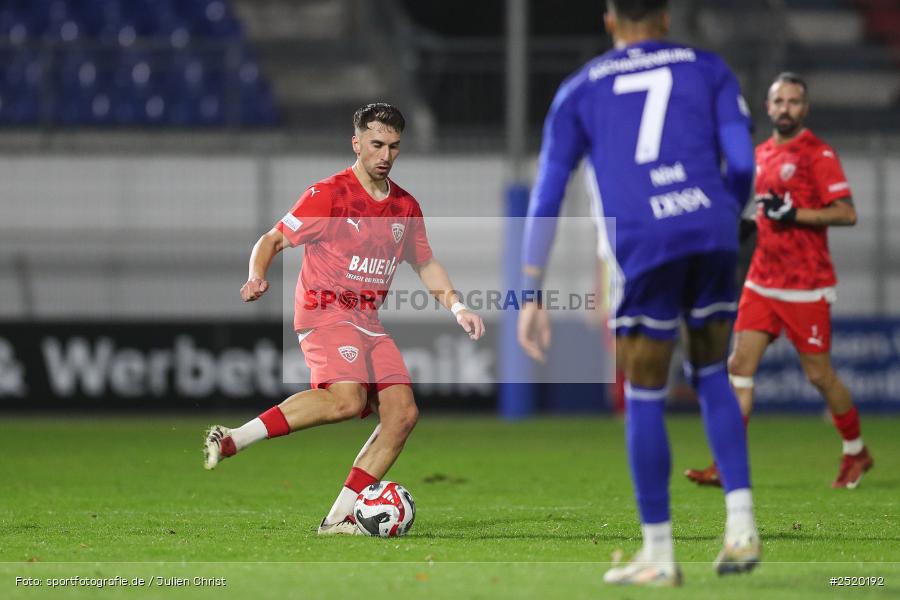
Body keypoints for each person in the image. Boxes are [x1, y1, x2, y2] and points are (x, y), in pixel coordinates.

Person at [518, 0, 759, 586]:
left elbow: (548, 191)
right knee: (711, 374)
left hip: (644, 241)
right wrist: (726, 211)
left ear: (609, 19)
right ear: (666, 17)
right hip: (710, 231)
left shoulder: (580, 89)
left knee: (645, 392)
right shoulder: (708, 68)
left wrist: (530, 286)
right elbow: (746, 161)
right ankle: (742, 524)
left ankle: (659, 554)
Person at [202, 103, 485, 535]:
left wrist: (458, 306)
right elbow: (273, 238)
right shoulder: (329, 194)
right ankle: (235, 438)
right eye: (376, 144)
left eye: (393, 146)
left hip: (367, 320)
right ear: (356, 144)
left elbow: (425, 263)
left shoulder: (405, 207)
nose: (385, 155)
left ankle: (337, 520)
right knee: (347, 399)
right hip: (324, 311)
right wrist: (256, 276)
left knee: (403, 415)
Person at [685, 73, 872, 490]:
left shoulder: (818, 154)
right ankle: (725, 463)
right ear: (767, 107)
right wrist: (749, 224)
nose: (785, 108)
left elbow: (846, 213)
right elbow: (769, 209)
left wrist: (797, 215)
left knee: (819, 377)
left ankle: (856, 450)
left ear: (805, 109)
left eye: (794, 101)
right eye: (778, 101)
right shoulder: (761, 154)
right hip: (761, 281)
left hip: (805, 284)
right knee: (738, 366)